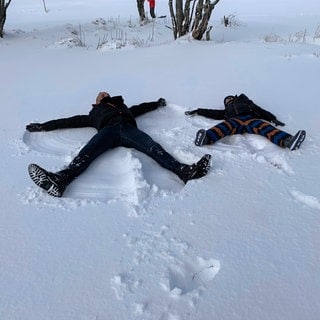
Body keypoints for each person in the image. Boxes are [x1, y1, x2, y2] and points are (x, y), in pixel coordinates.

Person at [26, 92, 211, 197]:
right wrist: (44, 126)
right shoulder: (94, 114)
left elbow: (141, 108)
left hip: (129, 130)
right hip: (108, 131)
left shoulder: (124, 108)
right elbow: (69, 121)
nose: (104, 95)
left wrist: (157, 103)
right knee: (86, 153)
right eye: (100, 96)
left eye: (105, 93)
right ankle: (60, 181)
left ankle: (185, 172)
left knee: (153, 148)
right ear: (96, 102)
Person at [185, 93, 306, 151]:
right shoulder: (226, 111)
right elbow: (212, 113)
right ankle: (206, 138)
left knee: (264, 127)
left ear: (234, 98)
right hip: (234, 121)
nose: (228, 101)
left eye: (229, 98)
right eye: (226, 101)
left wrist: (272, 118)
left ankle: (287, 140)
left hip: (250, 119)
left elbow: (260, 110)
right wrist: (198, 110)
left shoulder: (247, 104)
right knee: (223, 127)